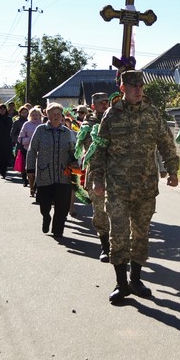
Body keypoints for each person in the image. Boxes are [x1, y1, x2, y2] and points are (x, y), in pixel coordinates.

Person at [88, 70, 179, 305]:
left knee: (141, 234)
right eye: (132, 86)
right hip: (117, 187)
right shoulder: (111, 116)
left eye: (140, 86)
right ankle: (121, 284)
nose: (138, 90)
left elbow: (167, 144)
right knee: (118, 235)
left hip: (146, 186)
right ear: (123, 89)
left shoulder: (152, 114)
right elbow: (99, 149)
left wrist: (172, 170)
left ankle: (136, 279)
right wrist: (97, 179)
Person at [26, 103, 78, 239]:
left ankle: (58, 230)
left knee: (62, 205)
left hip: (63, 175)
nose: (56, 116)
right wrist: (30, 169)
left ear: (62, 116)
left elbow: (73, 151)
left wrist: (74, 162)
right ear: (47, 115)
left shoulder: (67, 133)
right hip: (45, 174)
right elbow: (32, 151)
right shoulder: (40, 130)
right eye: (53, 114)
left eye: (58, 114)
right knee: (44, 204)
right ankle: (46, 217)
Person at [78, 92, 111, 262]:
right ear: (93, 106)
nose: (105, 105)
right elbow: (89, 147)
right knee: (100, 211)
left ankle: (118, 245)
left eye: (106, 102)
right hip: (97, 173)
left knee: (118, 210)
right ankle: (105, 245)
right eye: (101, 103)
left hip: (116, 173)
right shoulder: (88, 125)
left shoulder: (115, 119)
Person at [18, 107, 41, 195]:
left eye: (37, 115)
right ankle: (31, 187)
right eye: (33, 115)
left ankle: (37, 187)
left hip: (40, 151)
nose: (35, 117)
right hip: (28, 150)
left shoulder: (42, 125)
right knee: (30, 169)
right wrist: (31, 140)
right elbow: (20, 138)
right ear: (30, 116)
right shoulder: (26, 124)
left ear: (40, 115)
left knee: (38, 170)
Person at [10, 104, 31, 185]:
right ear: (20, 113)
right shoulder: (17, 122)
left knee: (29, 162)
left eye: (26, 112)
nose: (24, 114)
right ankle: (24, 179)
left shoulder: (30, 122)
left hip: (29, 144)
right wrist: (18, 141)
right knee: (22, 162)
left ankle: (30, 178)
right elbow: (12, 133)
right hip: (20, 145)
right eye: (23, 112)